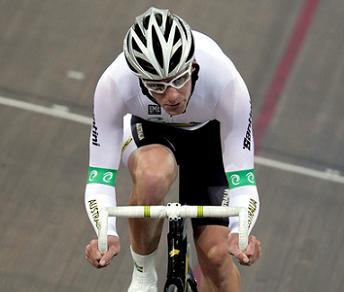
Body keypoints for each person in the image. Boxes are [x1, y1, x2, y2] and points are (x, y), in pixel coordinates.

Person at [84, 6, 261, 292]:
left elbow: (243, 179)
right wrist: (106, 235)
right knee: (153, 177)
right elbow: (99, 178)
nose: (172, 96)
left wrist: (241, 236)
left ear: (192, 66)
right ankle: (144, 276)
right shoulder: (114, 84)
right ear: (138, 77)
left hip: (208, 136)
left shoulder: (227, 83)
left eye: (179, 80)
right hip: (149, 129)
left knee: (216, 255)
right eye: (157, 86)